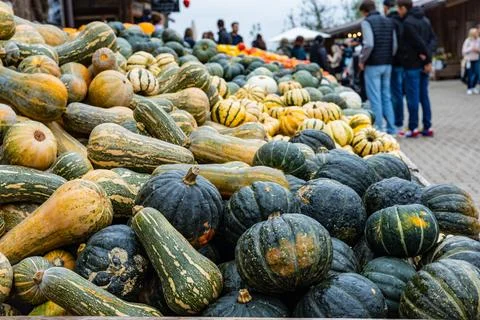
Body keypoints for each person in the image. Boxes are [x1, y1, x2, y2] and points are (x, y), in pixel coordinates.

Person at [358, 0, 398, 135]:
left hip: (373, 64)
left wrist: (362, 59)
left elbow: (369, 44)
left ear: (365, 11)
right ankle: (392, 128)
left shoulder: (366, 22)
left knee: (375, 98)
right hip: (387, 64)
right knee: (386, 96)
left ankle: (379, 129)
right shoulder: (388, 21)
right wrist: (388, 57)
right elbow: (394, 45)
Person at [398, 0, 432, 138]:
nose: (398, 12)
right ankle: (427, 127)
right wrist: (428, 60)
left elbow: (418, 42)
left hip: (412, 65)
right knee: (424, 96)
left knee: (412, 97)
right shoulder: (426, 20)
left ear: (404, 8)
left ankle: (413, 128)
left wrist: (426, 57)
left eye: (399, 9)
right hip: (424, 65)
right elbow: (433, 40)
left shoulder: (408, 23)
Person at [384, 0, 406, 135]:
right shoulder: (402, 21)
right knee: (398, 93)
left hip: (392, 62)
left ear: (386, 8)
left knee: (392, 94)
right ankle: (399, 122)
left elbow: (393, 44)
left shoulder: (389, 22)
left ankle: (394, 124)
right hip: (402, 62)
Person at [463, 28, 480, 95]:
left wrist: (477, 50)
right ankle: (469, 88)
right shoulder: (468, 41)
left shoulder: (479, 40)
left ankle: (473, 87)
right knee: (470, 75)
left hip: (476, 59)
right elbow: (464, 51)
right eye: (475, 32)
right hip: (469, 60)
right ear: (472, 34)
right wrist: (471, 49)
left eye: (477, 32)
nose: (477, 33)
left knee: (477, 74)